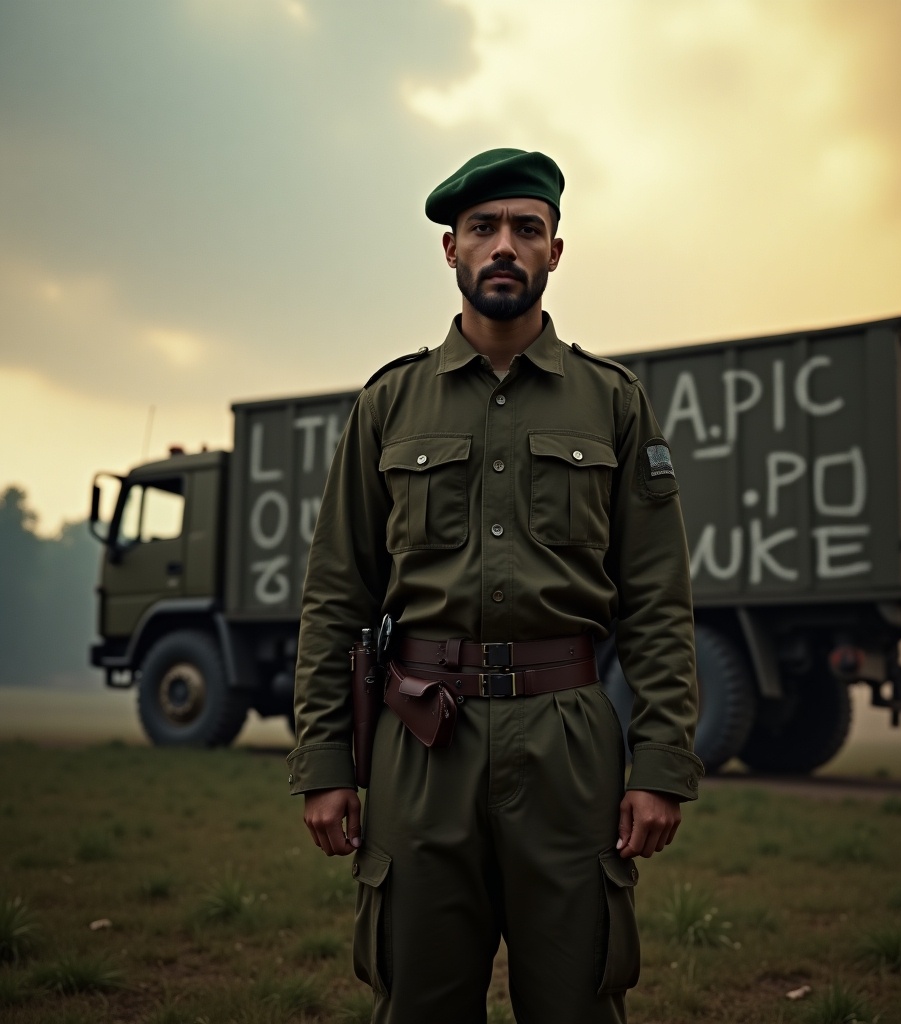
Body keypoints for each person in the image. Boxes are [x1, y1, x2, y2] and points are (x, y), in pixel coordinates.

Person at [287, 148, 703, 1024]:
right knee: (419, 999)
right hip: (420, 741)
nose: (504, 245)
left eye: (527, 228)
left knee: (578, 999)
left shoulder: (614, 402)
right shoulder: (390, 406)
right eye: (484, 229)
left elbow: (659, 599)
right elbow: (337, 597)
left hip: (568, 743)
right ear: (451, 250)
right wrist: (325, 761)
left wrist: (660, 763)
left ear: (557, 250)